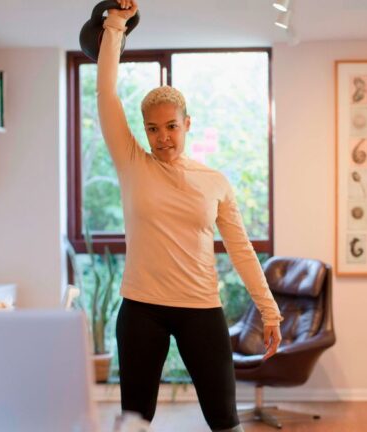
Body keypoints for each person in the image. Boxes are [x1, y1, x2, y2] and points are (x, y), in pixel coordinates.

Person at [96, 1, 283, 431]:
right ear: (144, 131)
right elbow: (105, 94)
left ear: (187, 124)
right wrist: (116, 25)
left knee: (224, 420)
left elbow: (241, 250)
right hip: (141, 307)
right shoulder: (132, 163)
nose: (162, 138)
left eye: (171, 126)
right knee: (135, 421)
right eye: (153, 129)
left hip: (201, 307)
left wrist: (268, 311)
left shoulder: (214, 181)